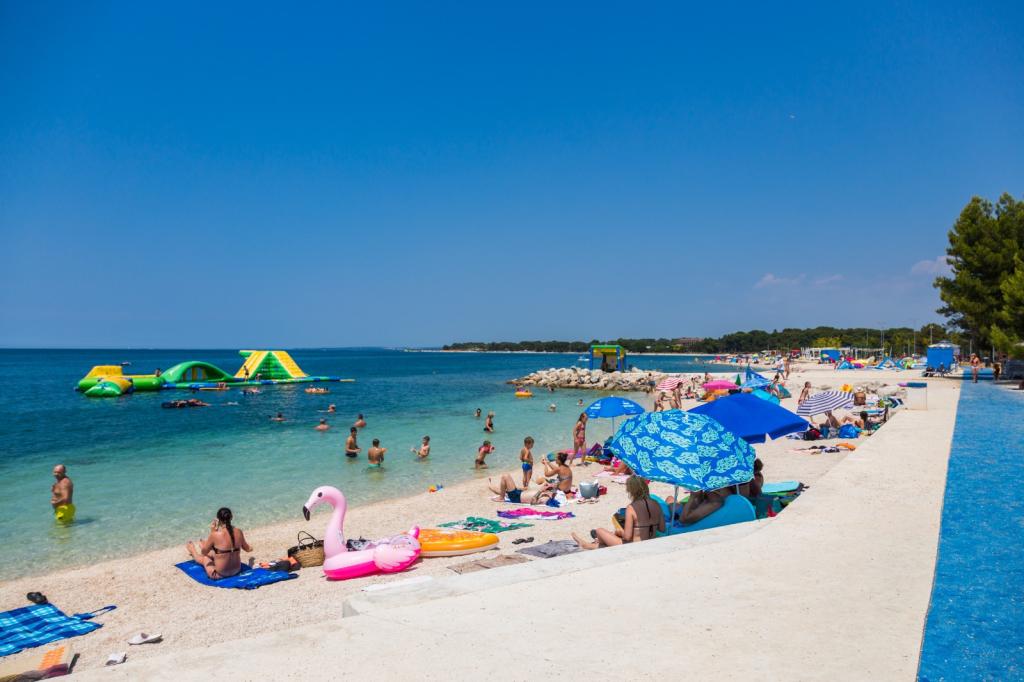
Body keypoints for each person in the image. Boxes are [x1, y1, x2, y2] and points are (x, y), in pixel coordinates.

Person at [572, 476, 665, 550]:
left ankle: (589, 544)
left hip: (635, 547)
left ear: (631, 490)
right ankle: (588, 545)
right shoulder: (656, 504)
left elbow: (627, 537)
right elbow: (662, 529)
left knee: (599, 531)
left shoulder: (632, 508)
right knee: (610, 537)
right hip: (650, 542)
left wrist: (620, 532)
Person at [185, 507, 252, 580]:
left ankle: (193, 551)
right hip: (237, 571)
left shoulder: (215, 535)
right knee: (219, 552)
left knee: (206, 558)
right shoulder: (239, 531)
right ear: (231, 517)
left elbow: (203, 553)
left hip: (219, 574)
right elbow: (248, 549)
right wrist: (251, 549)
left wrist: (212, 532)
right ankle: (205, 545)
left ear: (218, 519)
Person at [486, 474, 558, 505]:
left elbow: (533, 502)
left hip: (516, 497)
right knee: (501, 491)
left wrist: (540, 491)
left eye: (550, 484)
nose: (549, 484)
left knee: (505, 476)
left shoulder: (546, 498)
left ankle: (501, 498)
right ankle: (489, 485)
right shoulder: (548, 492)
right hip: (520, 493)